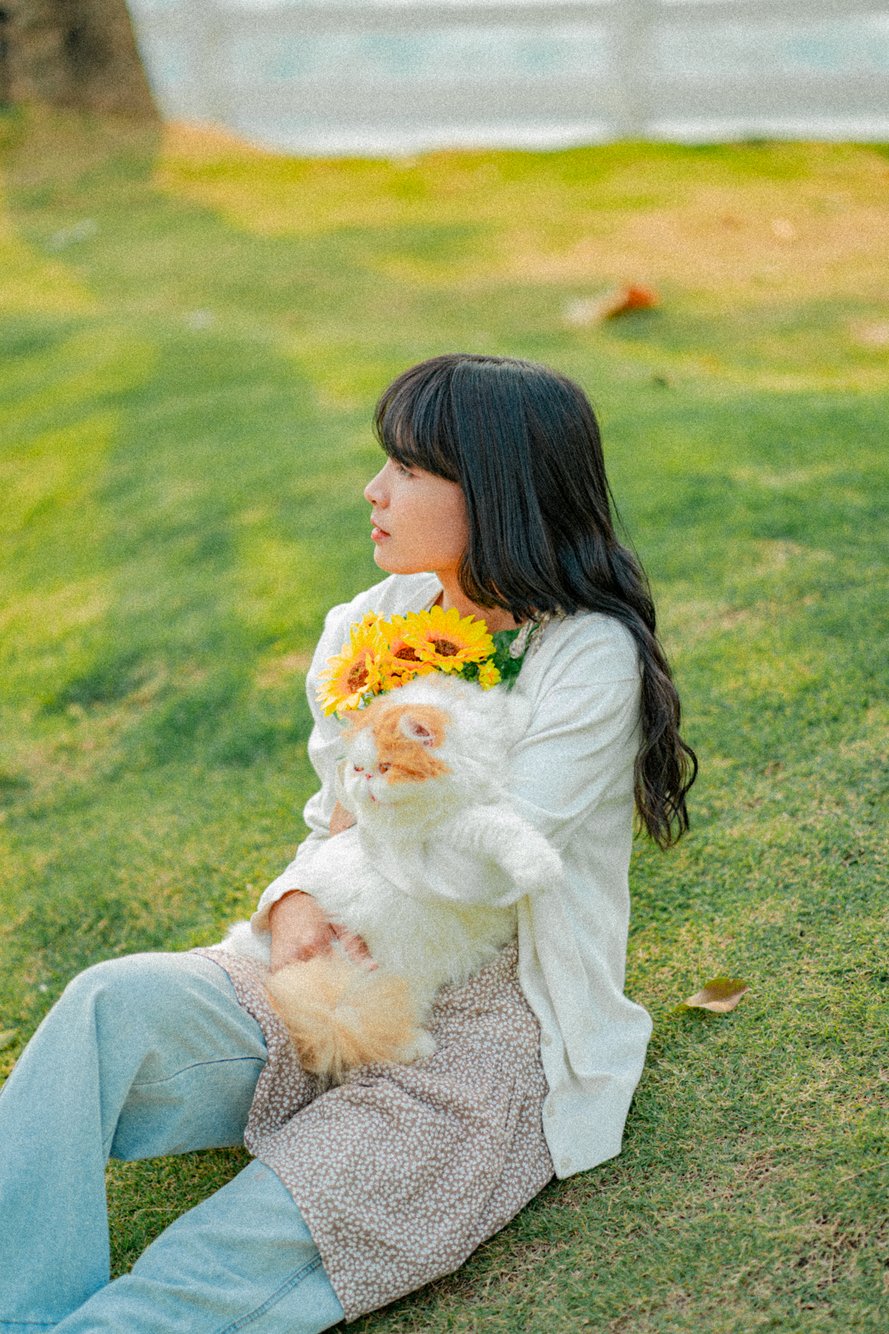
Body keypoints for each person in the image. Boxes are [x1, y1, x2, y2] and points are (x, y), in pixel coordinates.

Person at [0, 354, 696, 1331]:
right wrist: (293, 903)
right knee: (105, 1005)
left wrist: (346, 848)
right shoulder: (370, 622)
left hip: (478, 1033)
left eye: (407, 468)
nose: (374, 490)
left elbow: (483, 867)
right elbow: (329, 813)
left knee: (233, 1252)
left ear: (495, 490)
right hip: (329, 966)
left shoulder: (586, 656)